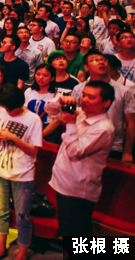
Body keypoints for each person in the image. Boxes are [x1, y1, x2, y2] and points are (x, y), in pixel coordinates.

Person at [49, 80, 115, 242]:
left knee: (78, 238)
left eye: (91, 97)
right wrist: (60, 100)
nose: (84, 99)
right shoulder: (81, 113)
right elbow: (50, 110)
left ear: (106, 103)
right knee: (69, 233)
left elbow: (74, 152)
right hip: (64, 184)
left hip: (77, 191)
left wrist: (70, 123)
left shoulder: (104, 128)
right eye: (83, 95)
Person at [0, 84, 42, 260]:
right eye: (5, 108)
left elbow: (34, 150)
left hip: (22, 174)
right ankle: (1, 247)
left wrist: (13, 138)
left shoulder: (33, 120)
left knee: (22, 215)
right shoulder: (0, 112)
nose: (8, 112)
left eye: (11, 109)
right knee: (0, 210)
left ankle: (22, 253)